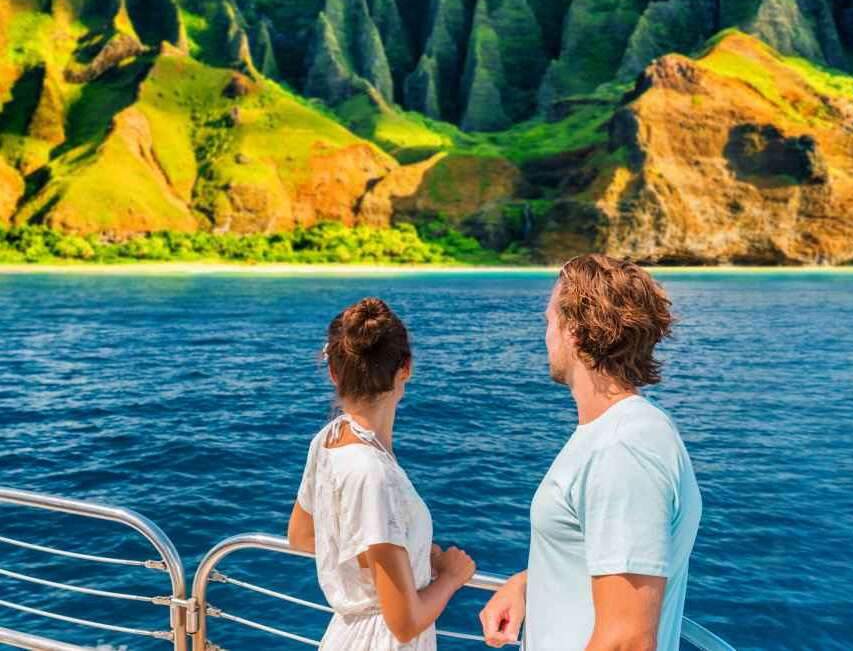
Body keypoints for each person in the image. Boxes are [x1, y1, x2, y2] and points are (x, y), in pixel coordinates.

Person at [480, 254, 702, 650]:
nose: (545, 334)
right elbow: (601, 554)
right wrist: (528, 585)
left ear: (575, 332)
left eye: (549, 320)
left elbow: (627, 640)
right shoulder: (613, 435)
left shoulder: (624, 448)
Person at [288, 297, 476, 650]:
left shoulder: (328, 440)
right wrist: (451, 576)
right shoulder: (373, 474)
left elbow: (302, 535)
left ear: (333, 372)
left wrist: (403, 557)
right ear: (405, 367)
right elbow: (404, 622)